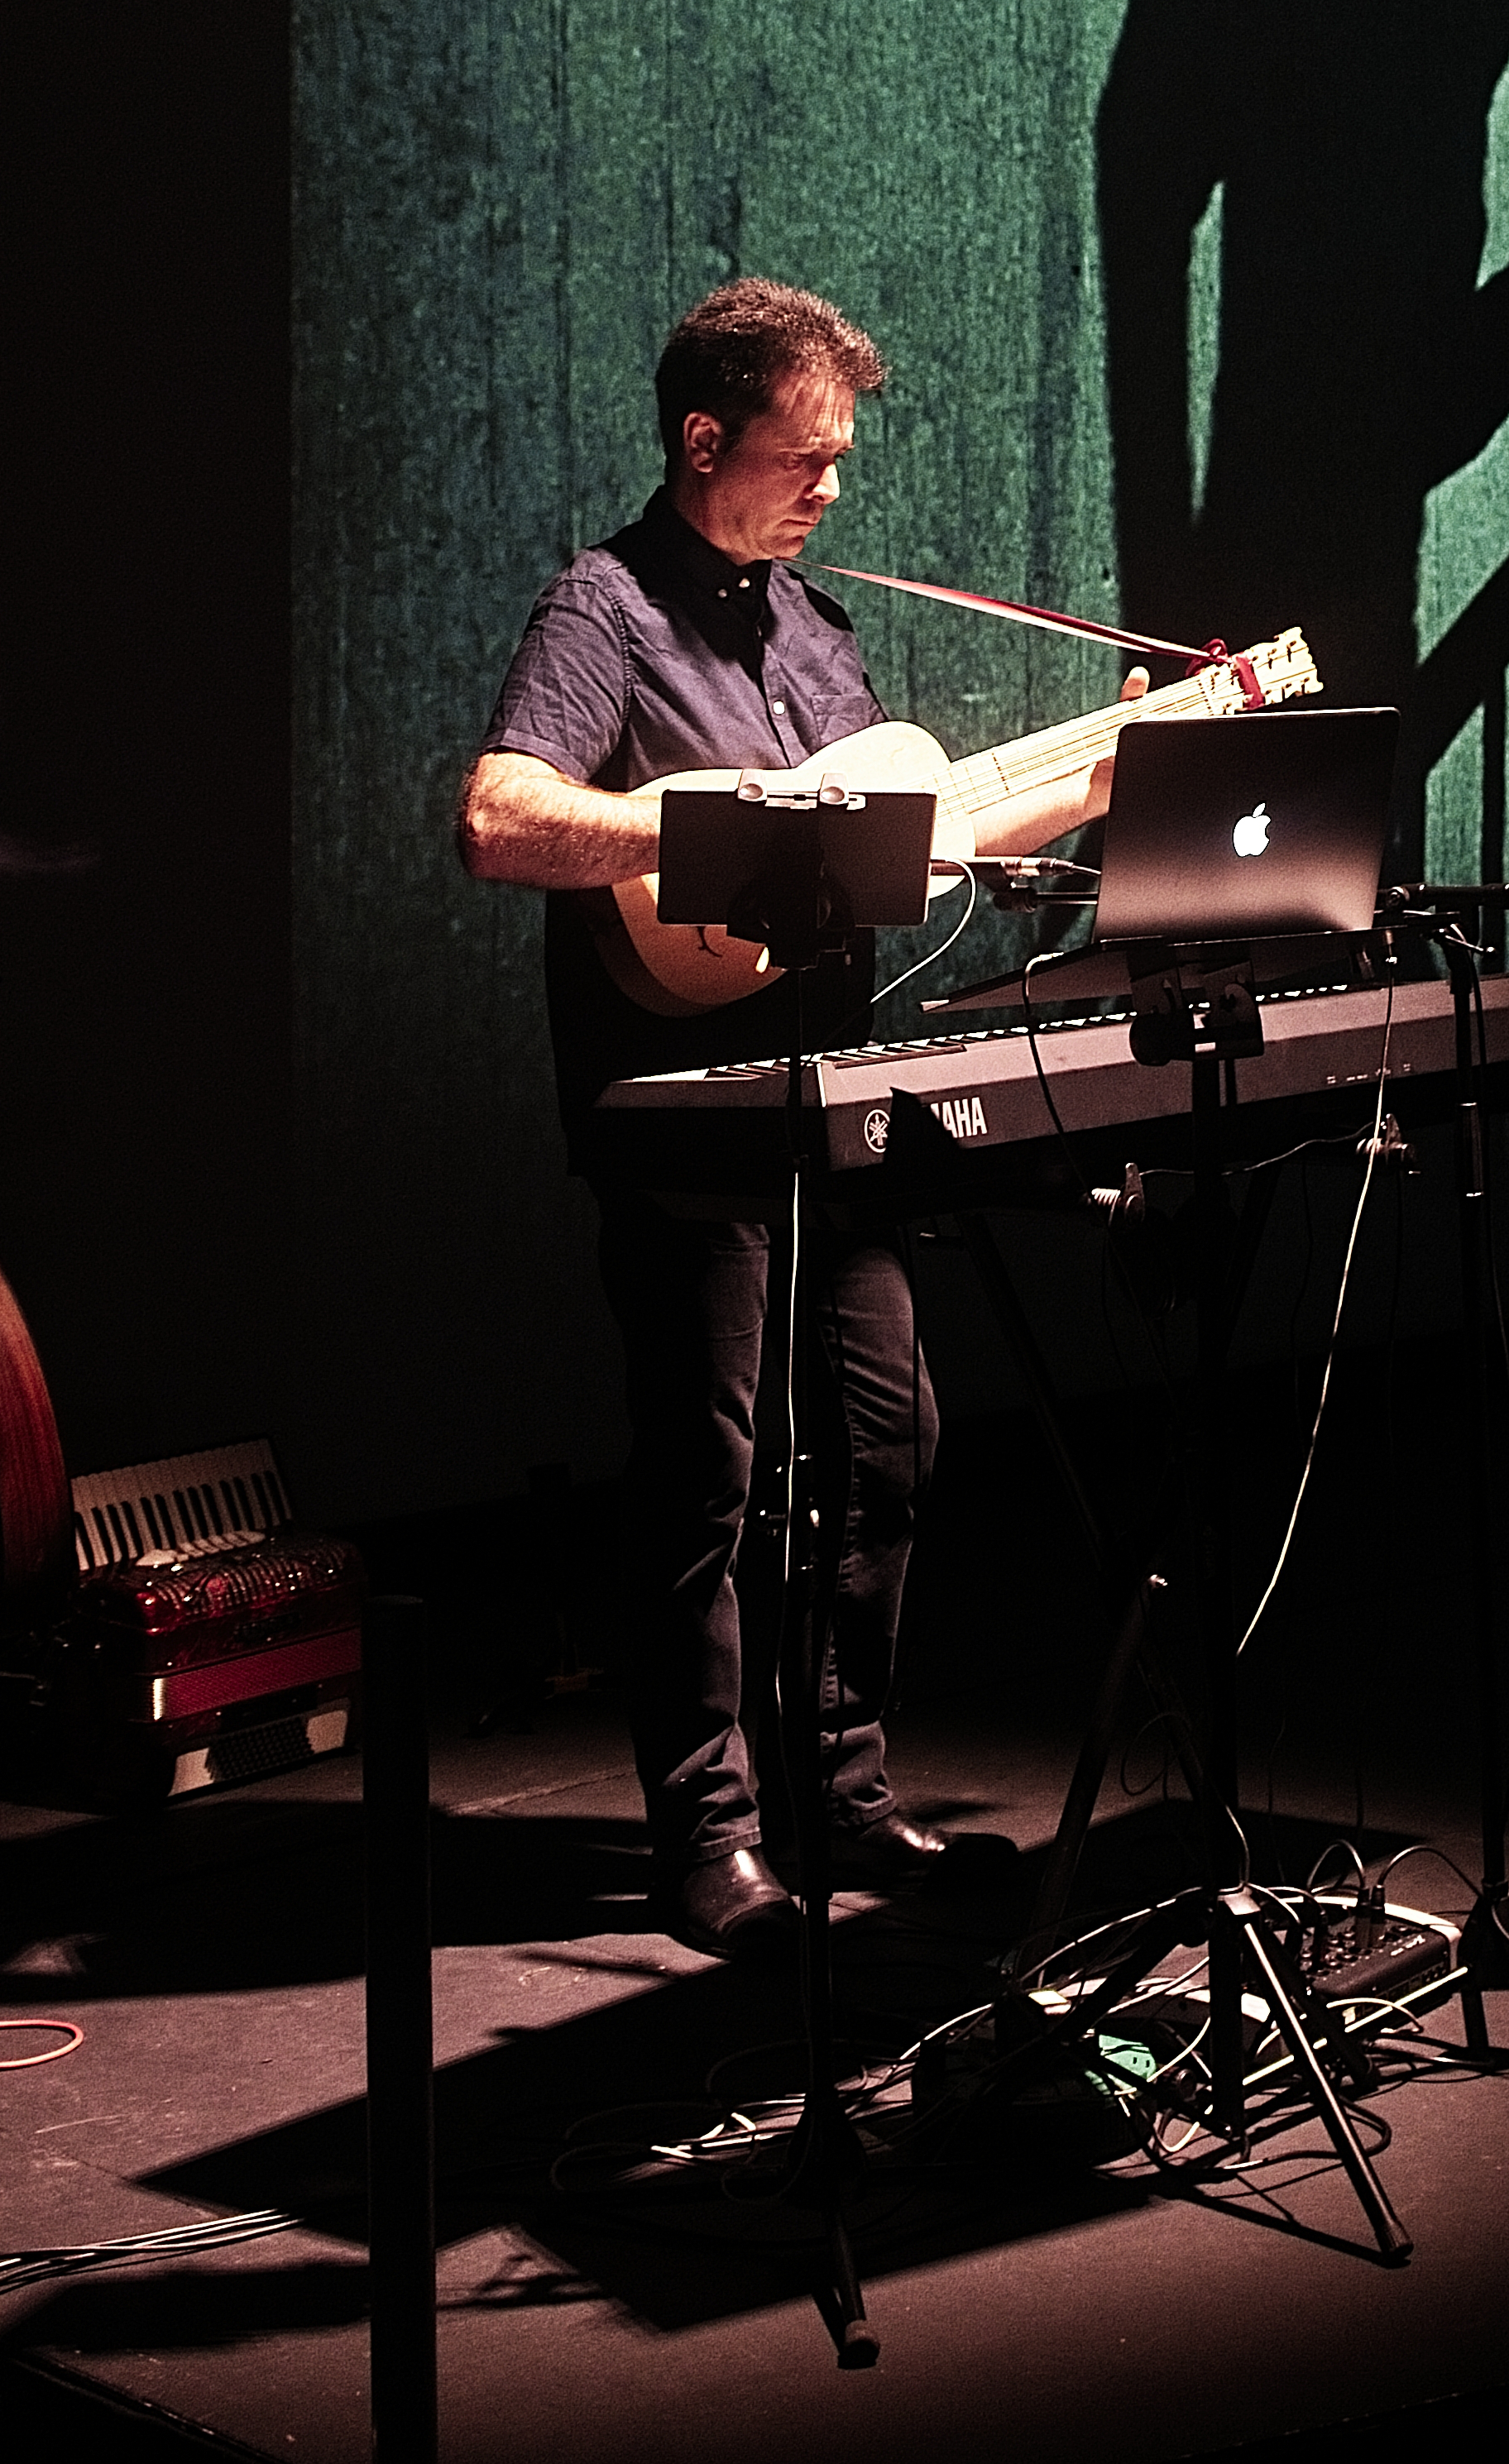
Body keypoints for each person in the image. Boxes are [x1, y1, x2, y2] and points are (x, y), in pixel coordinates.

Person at [460, 279, 1135, 1959]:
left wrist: (1122, 759)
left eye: (839, 458)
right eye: (802, 456)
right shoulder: (600, 609)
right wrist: (695, 836)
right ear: (702, 441)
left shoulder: (813, 629)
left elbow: (910, 828)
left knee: (885, 1440)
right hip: (685, 1114)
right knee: (705, 1472)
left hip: (835, 1105)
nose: (830, 487)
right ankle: (705, 1829)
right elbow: (497, 815)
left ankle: (835, 1792)